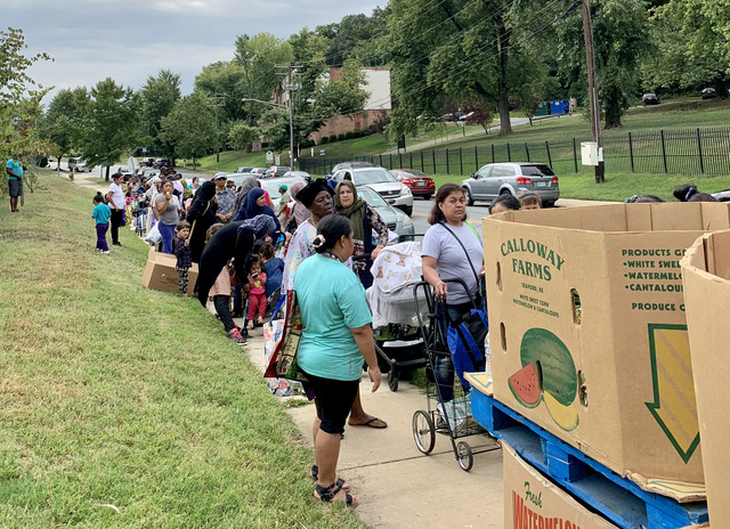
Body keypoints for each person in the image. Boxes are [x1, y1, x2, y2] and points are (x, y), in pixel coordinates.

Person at [284, 179, 387, 430]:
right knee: (330, 368)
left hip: (344, 295)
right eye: (320, 200)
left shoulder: (337, 226)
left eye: (329, 198)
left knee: (351, 356)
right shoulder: (304, 234)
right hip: (321, 305)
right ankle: (330, 421)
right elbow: (293, 275)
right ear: (309, 206)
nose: (328, 202)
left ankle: (356, 412)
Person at [294, 214, 382, 506]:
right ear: (343, 240)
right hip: (336, 364)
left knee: (323, 414)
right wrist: (373, 365)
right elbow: (360, 329)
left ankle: (322, 469)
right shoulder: (344, 277)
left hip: (309, 357)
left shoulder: (306, 266)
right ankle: (326, 487)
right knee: (333, 423)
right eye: (351, 236)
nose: (353, 241)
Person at [422, 183, 485, 417]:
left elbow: (480, 258)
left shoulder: (469, 227)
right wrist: (437, 282)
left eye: (462, 200)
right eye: (452, 201)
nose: (459, 205)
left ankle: (474, 400)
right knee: (447, 354)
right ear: (440, 205)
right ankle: (444, 406)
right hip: (450, 305)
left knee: (474, 350)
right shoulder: (435, 233)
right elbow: (427, 267)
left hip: (473, 301)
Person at [196, 214, 278, 307]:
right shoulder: (247, 234)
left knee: (204, 287)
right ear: (263, 228)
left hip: (212, 254)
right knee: (205, 287)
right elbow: (239, 261)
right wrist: (245, 281)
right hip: (213, 257)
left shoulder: (246, 226)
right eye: (267, 232)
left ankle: (200, 307)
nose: (266, 235)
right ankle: (199, 308)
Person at [334, 180, 389, 289]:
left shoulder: (364, 209)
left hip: (364, 264)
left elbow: (383, 229)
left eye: (348, 192)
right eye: (342, 193)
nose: (345, 195)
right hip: (340, 264)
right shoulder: (334, 213)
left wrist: (379, 247)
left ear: (353, 193)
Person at [204, 223, 247, 346]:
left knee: (220, 299)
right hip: (218, 271)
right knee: (222, 298)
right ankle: (231, 330)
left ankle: (229, 324)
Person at [186, 180, 218, 263]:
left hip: (204, 233)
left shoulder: (207, 201)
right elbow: (191, 215)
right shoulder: (200, 202)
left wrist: (215, 204)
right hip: (197, 234)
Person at [154, 179, 180, 254]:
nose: (168, 188)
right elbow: (160, 210)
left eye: (170, 186)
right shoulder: (160, 197)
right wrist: (167, 200)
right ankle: (165, 260)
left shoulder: (174, 197)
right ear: (162, 188)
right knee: (167, 245)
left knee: (172, 243)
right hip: (166, 224)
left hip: (174, 224)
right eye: (166, 186)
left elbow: (177, 208)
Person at [246, 255, 267, 329]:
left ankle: (260, 316)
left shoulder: (263, 275)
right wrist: (251, 282)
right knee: (253, 304)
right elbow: (248, 287)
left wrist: (260, 279)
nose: (256, 271)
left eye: (258, 268)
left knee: (264, 302)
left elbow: (264, 282)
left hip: (262, 293)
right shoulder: (250, 277)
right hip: (253, 294)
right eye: (253, 269)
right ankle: (250, 319)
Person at [106, 172, 126, 246]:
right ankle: (114, 240)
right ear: (116, 179)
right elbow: (108, 196)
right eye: (120, 179)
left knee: (117, 225)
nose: (122, 180)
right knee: (114, 225)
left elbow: (119, 193)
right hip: (115, 209)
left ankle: (116, 239)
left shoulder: (119, 186)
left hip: (120, 208)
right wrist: (115, 205)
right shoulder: (113, 186)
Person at [174, 220, 192, 297]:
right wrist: (184, 246)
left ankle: (184, 292)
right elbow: (177, 253)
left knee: (185, 279)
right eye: (184, 231)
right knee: (183, 279)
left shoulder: (185, 240)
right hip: (182, 264)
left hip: (186, 263)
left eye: (187, 231)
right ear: (178, 232)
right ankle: (183, 293)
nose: (186, 233)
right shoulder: (178, 241)